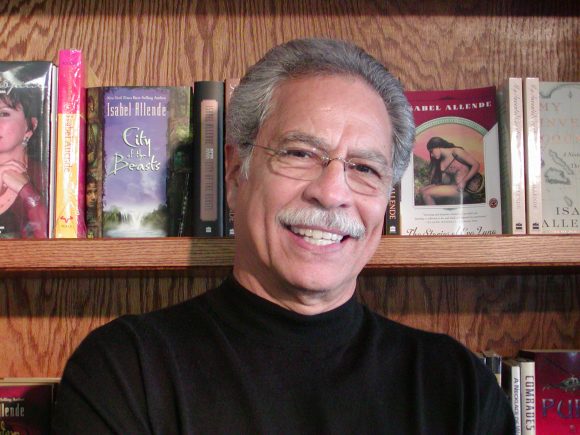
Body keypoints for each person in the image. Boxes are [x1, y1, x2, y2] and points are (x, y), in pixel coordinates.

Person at [52, 38, 514, 434]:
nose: (332, 193)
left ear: (386, 201)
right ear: (235, 176)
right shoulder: (124, 372)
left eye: (365, 168)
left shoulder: (459, 387)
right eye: (299, 153)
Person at [0, 89, 47, 238]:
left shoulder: (48, 178)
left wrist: (27, 193)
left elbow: (57, 245)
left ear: (30, 126)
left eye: (3, 114)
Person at [419, 136, 484, 205]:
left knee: (426, 193)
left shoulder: (456, 152)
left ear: (437, 146)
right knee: (422, 191)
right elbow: (446, 181)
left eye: (431, 151)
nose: (431, 155)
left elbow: (476, 164)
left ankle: (436, 215)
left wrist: (464, 181)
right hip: (454, 187)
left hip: (464, 189)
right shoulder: (440, 162)